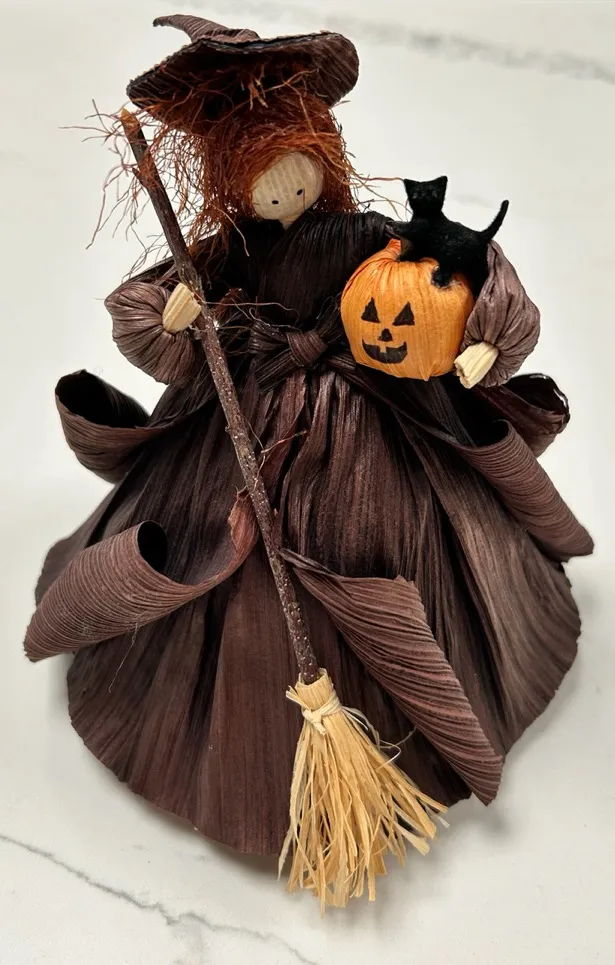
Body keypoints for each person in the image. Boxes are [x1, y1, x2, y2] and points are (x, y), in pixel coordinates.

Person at [25, 15, 592, 857]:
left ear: (324, 161)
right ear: (232, 185)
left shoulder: (367, 237)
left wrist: (483, 334)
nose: (283, 194)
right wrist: (174, 316)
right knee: (226, 551)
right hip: (245, 412)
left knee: (386, 535)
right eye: (263, 180)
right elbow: (152, 312)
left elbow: (463, 268)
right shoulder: (228, 253)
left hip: (369, 412)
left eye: (298, 171)